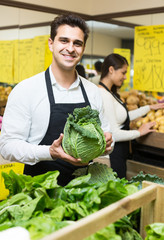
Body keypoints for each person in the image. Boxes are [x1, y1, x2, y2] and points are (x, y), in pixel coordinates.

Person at [0, 14, 113, 186]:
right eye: (64, 41)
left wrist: (106, 143)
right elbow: (7, 147)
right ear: (51, 44)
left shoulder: (92, 92)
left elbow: (105, 135)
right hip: (38, 193)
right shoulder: (26, 90)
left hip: (84, 191)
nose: (70, 48)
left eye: (77, 43)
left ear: (83, 49)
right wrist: (50, 152)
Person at [98, 53, 164, 178]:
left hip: (119, 152)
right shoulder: (103, 94)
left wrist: (148, 108)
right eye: (123, 72)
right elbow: (114, 133)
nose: (125, 77)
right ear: (111, 70)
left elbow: (122, 117)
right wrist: (139, 132)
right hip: (113, 155)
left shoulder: (109, 92)